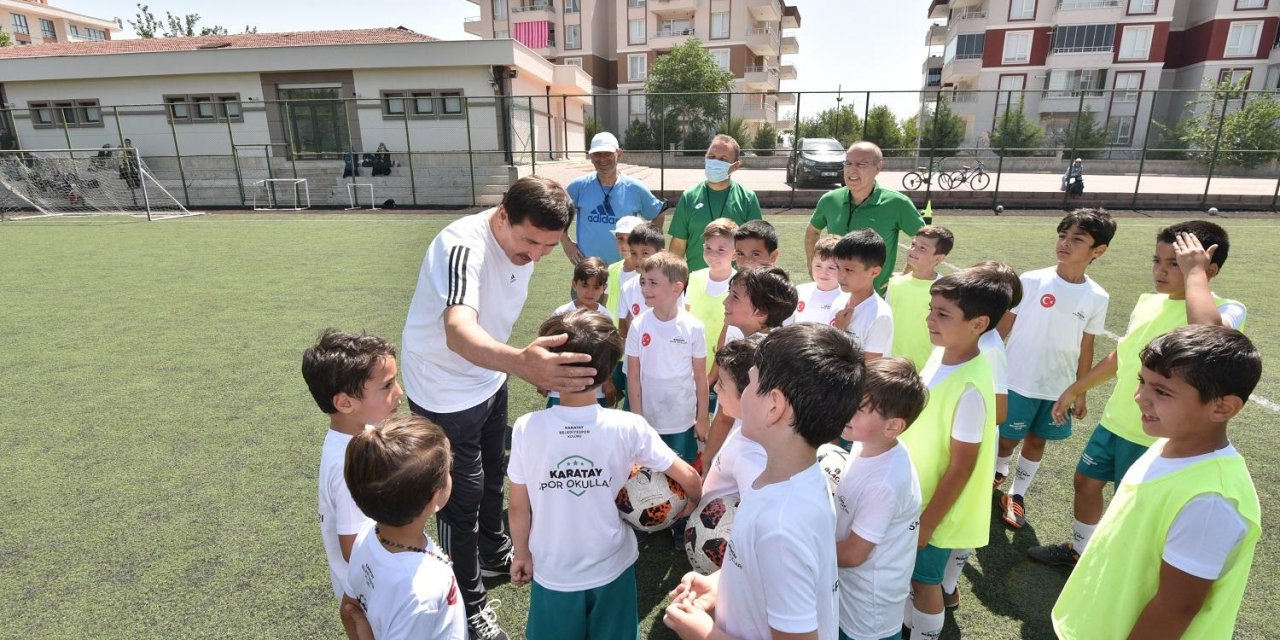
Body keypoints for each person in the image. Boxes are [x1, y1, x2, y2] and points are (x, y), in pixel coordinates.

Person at [400, 175, 594, 640]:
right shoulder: (462, 245)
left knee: (492, 476)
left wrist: (511, 365)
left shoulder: (525, 244)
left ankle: (492, 553)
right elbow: (457, 331)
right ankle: (470, 603)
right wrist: (522, 363)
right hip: (443, 389)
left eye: (548, 247)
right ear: (503, 214)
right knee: (458, 500)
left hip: (490, 375)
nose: (536, 256)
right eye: (530, 242)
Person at [1028, 220, 1246, 569]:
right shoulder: (1148, 302)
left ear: (1209, 270)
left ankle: (1115, 565)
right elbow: (1122, 356)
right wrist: (1076, 388)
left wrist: (1194, 274)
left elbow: (1207, 334)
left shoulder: (1228, 310)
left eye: (1175, 264)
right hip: (1116, 422)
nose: (1161, 271)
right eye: (1157, 261)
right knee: (1085, 482)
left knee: (1130, 505)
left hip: (1155, 436)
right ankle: (1081, 552)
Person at [1051, 325, 1262, 639]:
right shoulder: (1167, 443)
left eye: (1161, 391)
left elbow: (1174, 608)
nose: (1140, 397)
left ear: (1222, 408)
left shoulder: (1211, 502)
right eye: (1142, 381)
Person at [508, 310, 702, 640]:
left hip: (554, 570)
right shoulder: (628, 426)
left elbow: (517, 507)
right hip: (612, 566)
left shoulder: (528, 427)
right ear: (610, 368)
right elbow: (688, 476)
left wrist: (522, 552)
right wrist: (692, 502)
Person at [663, 324, 864, 640]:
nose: (742, 392)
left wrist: (704, 634)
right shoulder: (787, 478)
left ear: (774, 406)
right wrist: (719, 584)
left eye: (751, 381)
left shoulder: (782, 526)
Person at [899, 269, 1011, 640]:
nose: (930, 318)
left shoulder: (970, 388)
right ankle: (910, 626)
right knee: (910, 578)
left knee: (924, 582)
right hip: (918, 498)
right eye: (931, 309)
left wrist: (929, 523)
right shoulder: (942, 354)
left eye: (943, 314)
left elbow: (962, 466)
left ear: (978, 324)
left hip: (936, 511)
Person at [994, 210, 1114, 531]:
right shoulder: (1031, 280)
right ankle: (997, 472)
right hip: (1017, 380)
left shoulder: (1097, 296)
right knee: (1006, 440)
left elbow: (1086, 347)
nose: (1065, 243)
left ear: (1099, 250)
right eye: (1063, 236)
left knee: (1037, 442)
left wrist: (1080, 391)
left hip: (1058, 388)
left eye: (1077, 239)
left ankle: (1017, 494)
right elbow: (1002, 329)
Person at [301, 330, 404, 604]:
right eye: (387, 386)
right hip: (372, 594)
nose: (399, 392)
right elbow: (352, 548)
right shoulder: (351, 464)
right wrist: (408, 553)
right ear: (345, 403)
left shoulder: (356, 433)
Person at [342, 415, 466, 639]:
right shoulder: (423, 590)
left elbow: (349, 609)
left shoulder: (367, 535)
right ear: (435, 498)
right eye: (447, 470)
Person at [835, 357, 926, 640]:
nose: (845, 409)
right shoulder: (867, 444)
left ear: (892, 427)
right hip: (847, 592)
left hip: (866, 615)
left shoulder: (885, 483)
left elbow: (853, 554)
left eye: (859, 408)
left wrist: (803, 548)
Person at [705, 266, 800, 465]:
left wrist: (706, 461)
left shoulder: (747, 358)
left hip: (744, 456)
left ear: (761, 312)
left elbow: (724, 418)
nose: (725, 301)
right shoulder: (779, 349)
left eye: (735, 297)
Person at [805, 141, 925, 294]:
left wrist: (905, 276)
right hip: (834, 295)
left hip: (876, 296)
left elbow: (924, 241)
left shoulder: (898, 203)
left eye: (861, 164)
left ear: (878, 167)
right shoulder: (830, 200)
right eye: (848, 163)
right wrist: (811, 266)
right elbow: (813, 231)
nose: (852, 170)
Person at [626, 251, 709, 468]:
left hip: (682, 420)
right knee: (649, 475)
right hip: (649, 420)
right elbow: (633, 377)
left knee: (683, 470)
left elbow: (701, 377)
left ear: (677, 287)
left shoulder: (694, 326)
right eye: (643, 282)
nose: (645, 288)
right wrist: (638, 420)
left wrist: (702, 418)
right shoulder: (638, 326)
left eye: (653, 283)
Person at [562, 132, 666, 265]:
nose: (602, 159)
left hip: (625, 270)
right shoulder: (578, 187)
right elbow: (556, 215)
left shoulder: (635, 188)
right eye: (597, 154)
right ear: (591, 156)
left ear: (619, 154)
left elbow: (658, 214)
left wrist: (646, 245)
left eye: (608, 153)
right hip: (588, 270)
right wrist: (567, 244)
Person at [669, 135, 762, 272]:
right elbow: (678, 246)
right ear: (705, 158)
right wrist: (674, 278)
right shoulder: (689, 197)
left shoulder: (747, 198)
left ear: (735, 166)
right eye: (711, 156)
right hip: (695, 280)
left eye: (723, 159)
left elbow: (756, 247)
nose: (715, 162)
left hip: (735, 282)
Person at [698, 335, 767, 504]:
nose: (715, 388)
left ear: (748, 394)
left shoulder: (753, 461)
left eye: (721, 383)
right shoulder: (745, 428)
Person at [546, 257, 616, 408]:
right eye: (585, 285)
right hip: (561, 387)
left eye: (596, 287)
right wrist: (544, 378)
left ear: (604, 288)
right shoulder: (561, 313)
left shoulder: (606, 316)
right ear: (574, 284)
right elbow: (548, 348)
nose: (590, 292)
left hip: (595, 388)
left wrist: (607, 381)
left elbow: (608, 354)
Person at [886, 225, 954, 371]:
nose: (912, 250)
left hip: (927, 368)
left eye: (922, 248)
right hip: (892, 365)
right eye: (913, 244)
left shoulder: (946, 290)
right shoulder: (894, 283)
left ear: (939, 258)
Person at [686, 218, 739, 377]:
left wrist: (711, 377)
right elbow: (685, 318)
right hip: (690, 365)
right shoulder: (694, 278)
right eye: (708, 248)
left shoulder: (739, 285)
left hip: (724, 370)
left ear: (735, 254)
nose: (712, 254)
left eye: (721, 250)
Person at [832, 229, 894, 362]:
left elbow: (870, 368)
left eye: (848, 269)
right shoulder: (839, 300)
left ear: (874, 272)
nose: (841, 275)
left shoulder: (880, 316)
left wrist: (839, 332)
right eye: (837, 267)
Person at [617, 222, 668, 340]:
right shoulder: (627, 287)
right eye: (633, 253)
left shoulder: (672, 286)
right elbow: (623, 330)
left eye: (645, 253)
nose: (638, 259)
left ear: (661, 254)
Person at [791, 235, 848, 326]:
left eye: (831, 268)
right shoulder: (799, 291)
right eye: (818, 266)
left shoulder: (847, 299)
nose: (823, 272)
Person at [605, 215, 646, 322]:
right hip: (614, 330)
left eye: (630, 239)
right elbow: (607, 303)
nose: (624, 244)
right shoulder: (612, 270)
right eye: (620, 239)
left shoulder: (650, 272)